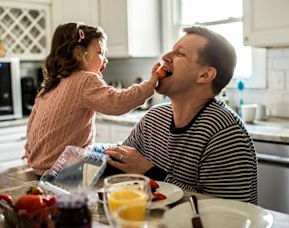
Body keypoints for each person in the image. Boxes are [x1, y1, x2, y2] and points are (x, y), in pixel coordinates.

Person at [105, 26, 258, 204]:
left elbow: (223, 211)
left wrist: (149, 172)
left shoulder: (226, 134)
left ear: (205, 74)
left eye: (179, 53)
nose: (165, 57)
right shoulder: (154, 118)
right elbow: (122, 168)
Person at [24, 23, 158, 175]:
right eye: (100, 52)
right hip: (68, 167)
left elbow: (31, 125)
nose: (105, 60)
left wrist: (30, 151)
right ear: (80, 53)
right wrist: (150, 85)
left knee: (108, 148)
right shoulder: (85, 80)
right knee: (122, 154)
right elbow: (117, 103)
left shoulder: (49, 86)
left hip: (40, 166)